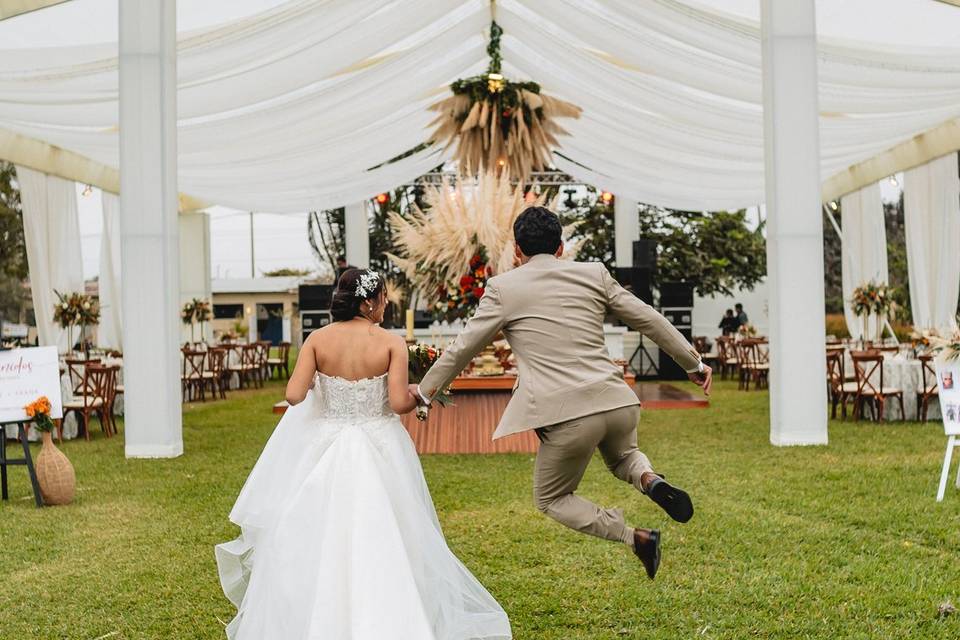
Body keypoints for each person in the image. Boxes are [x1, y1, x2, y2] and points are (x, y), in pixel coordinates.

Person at [410, 207, 712, 580]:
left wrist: (424, 392)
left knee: (552, 498)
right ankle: (651, 480)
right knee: (624, 457)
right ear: (561, 247)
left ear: (517, 250)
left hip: (567, 416)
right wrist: (693, 364)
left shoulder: (504, 288)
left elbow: (462, 349)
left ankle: (636, 538)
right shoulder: (594, 274)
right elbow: (649, 318)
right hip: (618, 402)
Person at [216, 268, 511, 640]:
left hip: (326, 447)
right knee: (390, 532)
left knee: (316, 533)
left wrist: (326, 391)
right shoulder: (390, 343)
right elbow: (400, 402)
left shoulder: (317, 340)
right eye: (384, 298)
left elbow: (293, 395)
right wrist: (422, 393)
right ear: (368, 301)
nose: (386, 304)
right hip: (379, 445)